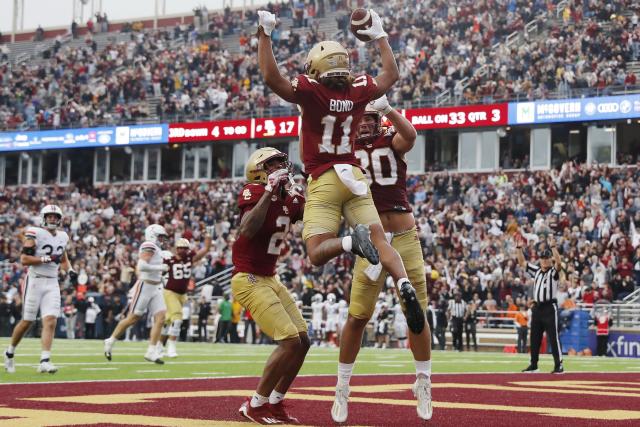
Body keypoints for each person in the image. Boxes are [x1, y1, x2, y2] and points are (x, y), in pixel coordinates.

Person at [256, 10, 425, 341]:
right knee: (380, 241)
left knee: (317, 251)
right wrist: (379, 36)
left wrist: (264, 34)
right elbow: (391, 74)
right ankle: (402, 281)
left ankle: (351, 242)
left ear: (317, 69)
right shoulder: (359, 90)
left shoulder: (311, 91)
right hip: (355, 175)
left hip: (324, 176)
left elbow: (271, 77)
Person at [332, 96, 432, 422]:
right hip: (372, 240)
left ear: (377, 121)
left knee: (416, 311)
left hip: (404, 234)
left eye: (369, 118)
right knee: (358, 315)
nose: (363, 123)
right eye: (360, 118)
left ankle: (423, 380)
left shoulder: (391, 139)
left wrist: (388, 108)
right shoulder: (343, 150)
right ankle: (342, 387)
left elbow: (412, 136)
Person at [231, 147, 310, 424]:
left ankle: (275, 402)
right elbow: (248, 229)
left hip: (270, 277)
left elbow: (314, 219)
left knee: (302, 341)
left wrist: (309, 188)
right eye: (272, 163)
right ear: (258, 170)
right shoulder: (252, 190)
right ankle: (255, 404)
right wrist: (269, 191)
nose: (280, 166)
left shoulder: (288, 196)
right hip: (248, 278)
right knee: (288, 340)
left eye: (281, 162)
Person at [5, 205, 77, 374]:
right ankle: (10, 352)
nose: (52, 219)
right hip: (35, 281)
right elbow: (24, 259)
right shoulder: (34, 233)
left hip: (52, 282)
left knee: (51, 320)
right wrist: (47, 258)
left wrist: (71, 270)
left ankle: (45, 360)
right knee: (27, 321)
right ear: (44, 217)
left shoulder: (63, 236)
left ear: (59, 219)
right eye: (49, 216)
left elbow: (63, 258)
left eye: (55, 216)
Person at [104, 224, 169, 364]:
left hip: (156, 287)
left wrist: (161, 275)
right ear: (152, 234)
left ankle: (151, 351)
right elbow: (141, 266)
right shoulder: (149, 245)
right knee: (133, 318)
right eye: (160, 236)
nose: (162, 240)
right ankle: (110, 340)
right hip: (145, 286)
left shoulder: (156, 248)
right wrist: (160, 267)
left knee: (161, 317)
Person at [517, 235, 564, 374]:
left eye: (547, 258)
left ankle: (558, 365)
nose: (544, 260)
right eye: (542, 258)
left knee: (553, 337)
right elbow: (522, 263)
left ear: (551, 259)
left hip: (550, 307)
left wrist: (554, 248)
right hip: (537, 308)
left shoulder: (553, 272)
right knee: (535, 338)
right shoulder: (536, 271)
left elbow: (559, 265)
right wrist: (519, 249)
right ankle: (534, 364)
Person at [160, 235, 211, 357]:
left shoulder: (189, 258)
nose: (182, 250)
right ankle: (171, 347)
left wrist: (208, 235)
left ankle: (159, 347)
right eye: (180, 248)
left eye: (185, 248)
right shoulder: (169, 260)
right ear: (176, 249)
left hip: (182, 295)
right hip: (170, 292)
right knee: (177, 320)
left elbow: (206, 249)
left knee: (167, 323)